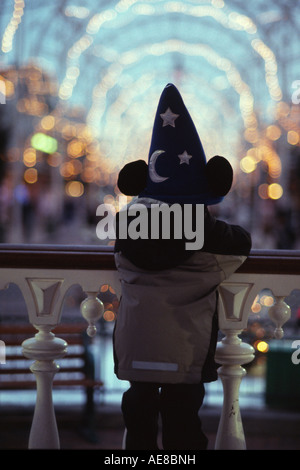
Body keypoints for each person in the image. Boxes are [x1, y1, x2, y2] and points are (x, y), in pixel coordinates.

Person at [113, 84, 251, 450]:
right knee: (183, 427)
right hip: (185, 354)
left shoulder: (126, 233)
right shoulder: (212, 243)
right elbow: (242, 245)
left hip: (134, 347)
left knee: (138, 422)